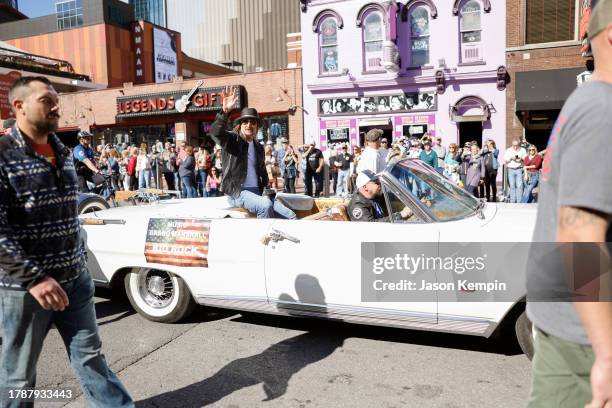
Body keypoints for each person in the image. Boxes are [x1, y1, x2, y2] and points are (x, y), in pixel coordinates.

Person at [0, 76, 133, 407]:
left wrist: (79, 265)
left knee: (92, 360)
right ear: (18, 106)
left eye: (57, 99)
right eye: (47, 100)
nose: (57, 106)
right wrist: (34, 279)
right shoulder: (3, 156)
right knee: (18, 376)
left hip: (75, 281)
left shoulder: (62, 151)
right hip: (25, 292)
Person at [527, 3, 612, 407]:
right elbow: (579, 231)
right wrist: (607, 353)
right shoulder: (603, 109)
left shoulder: (591, 102)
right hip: (582, 339)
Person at [210, 87, 295, 219]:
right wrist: (225, 112)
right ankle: (263, 237)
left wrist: (267, 189)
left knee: (291, 215)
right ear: (240, 125)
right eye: (245, 121)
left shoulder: (258, 147)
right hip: (238, 192)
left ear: (257, 126)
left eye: (253, 122)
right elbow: (215, 132)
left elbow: (262, 172)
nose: (249, 124)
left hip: (258, 192)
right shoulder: (232, 140)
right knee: (265, 206)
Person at [348, 170, 413, 222]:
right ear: (365, 187)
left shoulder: (375, 196)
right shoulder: (357, 204)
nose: (380, 184)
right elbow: (369, 226)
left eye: (379, 181)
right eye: (376, 182)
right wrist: (400, 215)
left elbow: (393, 198)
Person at [504, 138, 527, 203]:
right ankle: (512, 201)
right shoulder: (508, 150)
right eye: (514, 145)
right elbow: (505, 160)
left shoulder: (523, 150)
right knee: (512, 185)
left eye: (516, 145)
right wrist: (511, 158)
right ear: (512, 144)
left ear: (519, 144)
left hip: (519, 169)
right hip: (510, 169)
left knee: (519, 185)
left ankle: (519, 201)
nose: (515, 146)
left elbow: (526, 159)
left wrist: (521, 158)